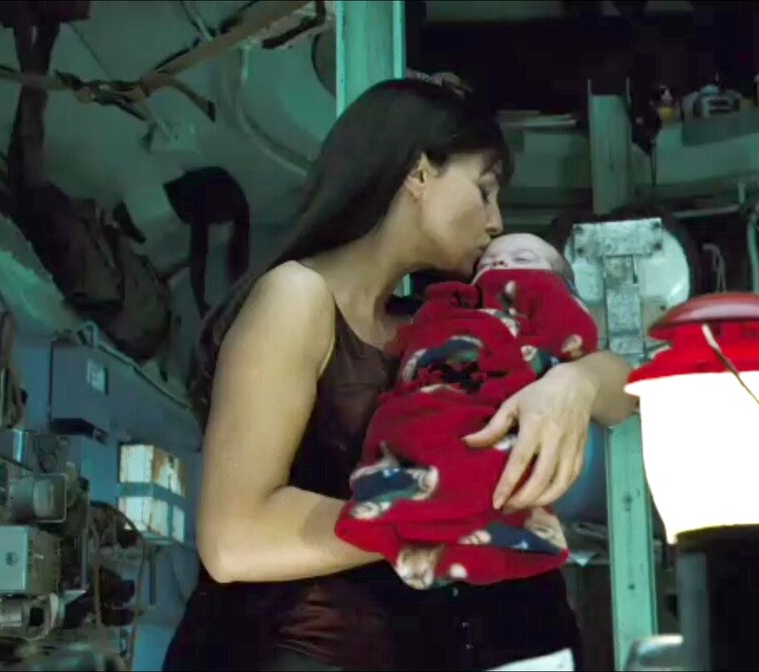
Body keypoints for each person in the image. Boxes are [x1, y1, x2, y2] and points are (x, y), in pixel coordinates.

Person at [162, 80, 636, 672]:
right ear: (419, 173)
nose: (496, 221)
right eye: (484, 190)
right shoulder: (296, 297)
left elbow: (627, 389)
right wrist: (438, 514)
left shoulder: (435, 321)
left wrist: (575, 384)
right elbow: (234, 539)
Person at [335, 234, 598, 590]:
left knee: (483, 453)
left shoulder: (543, 293)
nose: (500, 264)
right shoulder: (450, 303)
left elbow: (573, 337)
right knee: (399, 428)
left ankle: (434, 524)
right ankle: (424, 514)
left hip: (493, 390)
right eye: (487, 262)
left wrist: (551, 364)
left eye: (522, 258)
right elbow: (420, 337)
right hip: (432, 387)